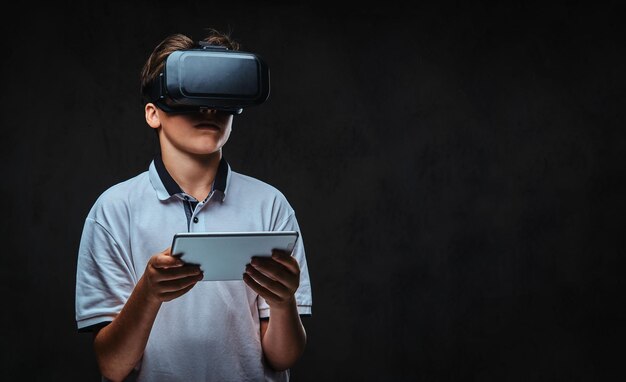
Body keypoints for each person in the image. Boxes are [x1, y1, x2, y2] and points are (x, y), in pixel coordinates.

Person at [75, 29, 312, 382]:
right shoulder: (113, 212)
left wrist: (283, 301)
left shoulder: (271, 206)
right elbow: (113, 366)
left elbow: (281, 359)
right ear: (153, 113)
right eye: (193, 96)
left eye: (219, 96)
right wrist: (148, 293)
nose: (209, 110)